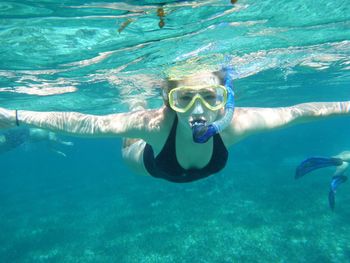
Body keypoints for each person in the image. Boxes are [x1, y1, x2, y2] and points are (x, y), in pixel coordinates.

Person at [0, 67, 349, 183]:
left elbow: (301, 112)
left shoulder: (236, 124)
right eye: (184, 98)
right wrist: (14, 117)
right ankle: (133, 98)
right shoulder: (155, 125)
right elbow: (86, 123)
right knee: (126, 133)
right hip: (148, 162)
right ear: (169, 101)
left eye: (209, 97)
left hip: (178, 163)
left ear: (224, 99)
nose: (198, 109)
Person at [0, 127, 73, 157]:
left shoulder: (49, 135)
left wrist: (59, 152)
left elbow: (50, 147)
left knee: (7, 146)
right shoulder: (52, 129)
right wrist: (65, 143)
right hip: (24, 133)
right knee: (5, 141)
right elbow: (53, 139)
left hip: (24, 136)